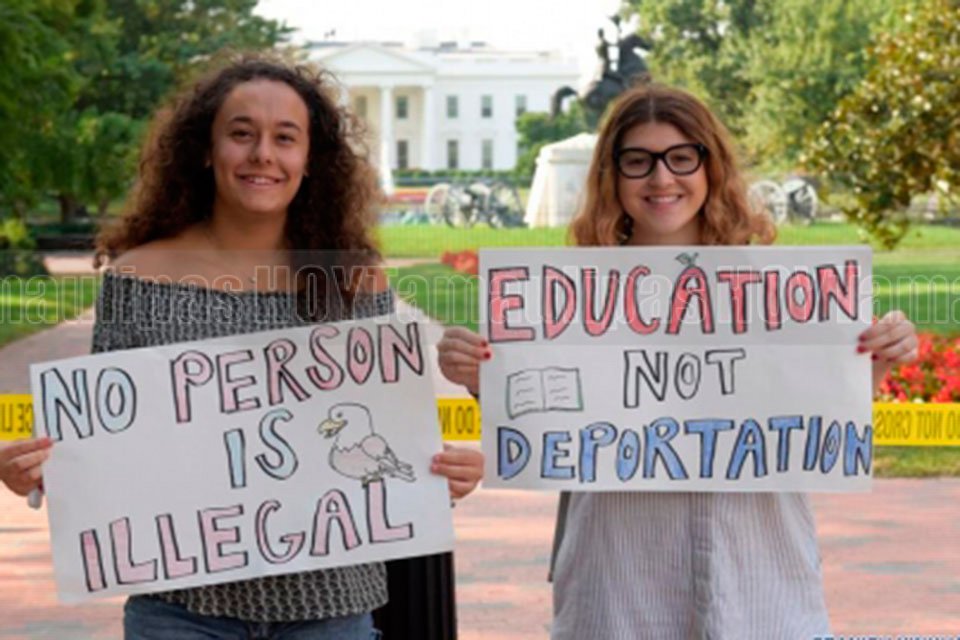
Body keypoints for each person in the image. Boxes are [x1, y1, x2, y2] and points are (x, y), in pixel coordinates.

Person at [0, 53, 482, 639]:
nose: (263, 155)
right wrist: (41, 474)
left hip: (332, 610)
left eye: (286, 138)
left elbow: (381, 440)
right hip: (180, 612)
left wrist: (441, 474)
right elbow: (109, 446)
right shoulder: (137, 278)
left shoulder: (355, 281)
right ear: (206, 150)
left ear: (310, 159)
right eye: (241, 133)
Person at [437, 84, 919, 639]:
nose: (661, 178)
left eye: (681, 157)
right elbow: (547, 428)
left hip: (761, 580)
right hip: (618, 583)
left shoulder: (784, 291)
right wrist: (485, 377)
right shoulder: (567, 300)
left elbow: (821, 414)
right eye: (637, 161)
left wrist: (877, 358)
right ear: (612, 175)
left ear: (711, 167)